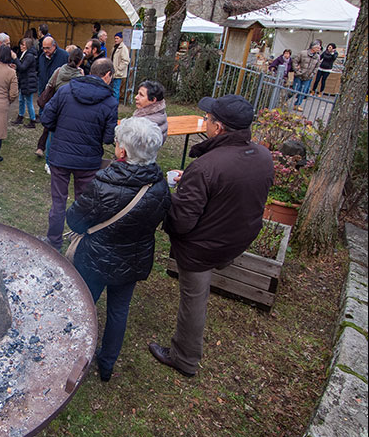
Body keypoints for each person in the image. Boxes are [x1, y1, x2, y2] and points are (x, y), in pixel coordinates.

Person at [149, 94, 274, 377]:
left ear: (218, 128)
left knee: (194, 300)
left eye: (208, 118)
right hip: (237, 240)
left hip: (202, 249)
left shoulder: (206, 167)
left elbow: (181, 222)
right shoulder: (263, 156)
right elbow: (233, 191)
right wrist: (192, 183)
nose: (205, 121)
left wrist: (173, 198)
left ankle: (184, 358)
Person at [66, 117, 171, 381]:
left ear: (122, 151)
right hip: (132, 261)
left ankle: (75, 354)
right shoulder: (160, 186)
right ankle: (107, 364)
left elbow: (75, 220)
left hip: (94, 261)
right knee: (118, 310)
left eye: (117, 142)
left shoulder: (103, 185)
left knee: (85, 305)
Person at [39, 58, 118, 250]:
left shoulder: (65, 91)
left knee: (58, 202)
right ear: (107, 75)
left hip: (62, 158)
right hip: (87, 162)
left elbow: (47, 118)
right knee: (83, 203)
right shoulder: (110, 102)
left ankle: (54, 241)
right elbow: (109, 137)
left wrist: (62, 128)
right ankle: (79, 243)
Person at [35, 47, 84, 158]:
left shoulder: (58, 71)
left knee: (50, 130)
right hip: (70, 109)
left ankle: (45, 155)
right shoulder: (80, 77)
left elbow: (49, 84)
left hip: (55, 105)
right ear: (80, 61)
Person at [11, 37, 38, 129]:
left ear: (27, 46)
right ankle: (20, 116)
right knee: (21, 100)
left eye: (23, 45)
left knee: (28, 101)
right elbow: (22, 67)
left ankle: (32, 120)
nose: (21, 46)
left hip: (28, 82)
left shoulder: (29, 56)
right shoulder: (26, 54)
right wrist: (16, 66)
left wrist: (15, 59)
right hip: (25, 81)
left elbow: (23, 67)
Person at [291, 40, 321, 112]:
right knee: (295, 88)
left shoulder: (317, 57)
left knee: (303, 91)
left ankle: (297, 104)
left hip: (308, 76)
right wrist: (296, 70)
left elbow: (317, 67)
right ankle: (285, 99)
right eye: (317, 47)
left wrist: (312, 74)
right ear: (313, 47)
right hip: (299, 75)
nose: (319, 49)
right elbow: (295, 61)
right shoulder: (303, 53)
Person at [110, 32, 130, 102]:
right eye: (115, 38)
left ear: (121, 39)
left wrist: (118, 69)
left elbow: (126, 60)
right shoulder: (115, 47)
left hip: (118, 73)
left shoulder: (123, 48)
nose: (115, 40)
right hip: (113, 72)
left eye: (117, 38)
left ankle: (115, 104)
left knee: (116, 89)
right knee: (112, 88)